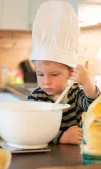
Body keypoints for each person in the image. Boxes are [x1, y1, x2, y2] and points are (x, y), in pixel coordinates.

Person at [27, 0, 100, 145]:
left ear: (70, 72)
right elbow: (31, 130)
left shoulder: (74, 93)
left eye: (54, 75)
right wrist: (61, 138)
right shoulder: (36, 97)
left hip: (72, 159)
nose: (46, 81)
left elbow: (93, 105)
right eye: (40, 74)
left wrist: (87, 82)